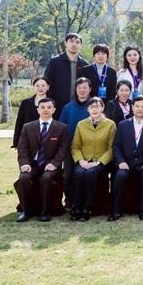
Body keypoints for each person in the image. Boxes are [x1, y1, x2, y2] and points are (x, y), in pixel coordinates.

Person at [14, 97, 69, 222]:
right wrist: (24, 164)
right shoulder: (28, 127)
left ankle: (45, 212)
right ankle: (26, 211)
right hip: (32, 164)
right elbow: (22, 149)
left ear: (54, 110)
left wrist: (55, 164)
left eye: (49, 107)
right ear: (38, 110)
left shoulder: (61, 128)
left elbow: (63, 149)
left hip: (50, 164)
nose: (46, 110)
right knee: (23, 179)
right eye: (42, 107)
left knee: (46, 178)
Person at [109, 95, 143, 221]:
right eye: (137, 106)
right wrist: (120, 161)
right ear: (132, 107)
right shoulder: (122, 125)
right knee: (120, 176)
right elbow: (116, 146)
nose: (140, 109)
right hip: (126, 163)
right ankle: (117, 210)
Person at [70, 97, 116, 221]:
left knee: (90, 174)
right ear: (87, 109)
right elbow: (75, 146)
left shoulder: (110, 124)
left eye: (97, 106)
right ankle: (76, 206)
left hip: (100, 160)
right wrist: (81, 161)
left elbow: (111, 148)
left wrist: (99, 162)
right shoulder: (81, 124)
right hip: (84, 160)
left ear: (102, 108)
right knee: (78, 173)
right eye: (91, 107)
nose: (94, 109)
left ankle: (87, 207)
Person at [58, 77, 92, 209]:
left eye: (85, 88)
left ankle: (85, 201)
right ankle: (69, 200)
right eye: (79, 88)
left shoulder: (94, 105)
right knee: (68, 175)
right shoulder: (68, 107)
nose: (82, 91)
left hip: (90, 148)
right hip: (71, 147)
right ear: (76, 90)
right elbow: (62, 127)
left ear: (90, 89)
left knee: (85, 175)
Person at [44, 32, 89, 119]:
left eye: (77, 42)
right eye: (71, 41)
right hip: (58, 105)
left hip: (78, 105)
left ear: (80, 45)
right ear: (66, 43)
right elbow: (47, 83)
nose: (74, 44)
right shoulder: (55, 62)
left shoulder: (84, 64)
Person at [13, 76, 50, 149]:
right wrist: (16, 142)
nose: (40, 88)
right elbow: (19, 123)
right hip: (28, 140)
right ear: (33, 87)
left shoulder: (53, 103)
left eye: (43, 86)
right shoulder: (26, 103)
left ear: (48, 87)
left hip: (47, 140)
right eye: (37, 86)